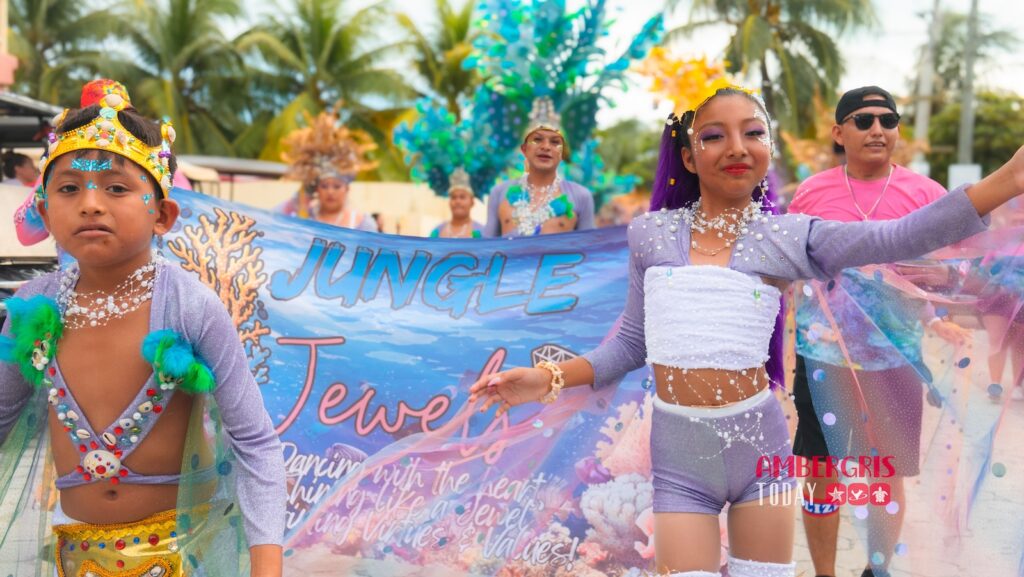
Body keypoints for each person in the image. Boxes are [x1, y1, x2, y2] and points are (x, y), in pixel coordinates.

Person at [469, 86, 1024, 577]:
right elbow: (631, 345)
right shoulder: (651, 235)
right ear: (688, 155)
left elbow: (895, 238)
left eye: (753, 132)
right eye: (715, 136)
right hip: (680, 454)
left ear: (768, 151)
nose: (737, 146)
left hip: (760, 452)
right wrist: (547, 378)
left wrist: (1007, 181)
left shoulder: (790, 236)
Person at [0, 81, 286, 576]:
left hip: (186, 555)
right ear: (45, 211)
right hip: (76, 559)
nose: (91, 204)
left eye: (116, 187)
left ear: (163, 215)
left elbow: (256, 444)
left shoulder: (190, 307)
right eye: (69, 187)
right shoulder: (32, 306)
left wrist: (266, 567)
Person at [787, 86, 970, 577]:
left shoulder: (926, 193)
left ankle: (876, 569)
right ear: (838, 132)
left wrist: (940, 310)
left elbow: (951, 268)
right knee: (822, 472)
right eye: (864, 120)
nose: (877, 130)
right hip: (824, 354)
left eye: (888, 120)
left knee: (883, 475)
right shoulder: (811, 193)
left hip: (896, 358)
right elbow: (791, 267)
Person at [484, 98, 595, 237]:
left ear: (562, 153)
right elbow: (486, 249)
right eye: (537, 139)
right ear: (524, 149)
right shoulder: (499, 192)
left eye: (555, 142)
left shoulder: (581, 196)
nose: (546, 147)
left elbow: (591, 252)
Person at [279, 110, 379, 232]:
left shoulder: (363, 224)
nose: (330, 192)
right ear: (316, 189)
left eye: (337, 186)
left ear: (347, 189)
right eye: (324, 186)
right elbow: (274, 219)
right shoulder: (304, 218)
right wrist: (301, 195)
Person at [430, 168, 484, 238]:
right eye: (453, 197)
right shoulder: (437, 231)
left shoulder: (482, 232)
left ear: (472, 202)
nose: (457, 201)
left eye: (462, 197)